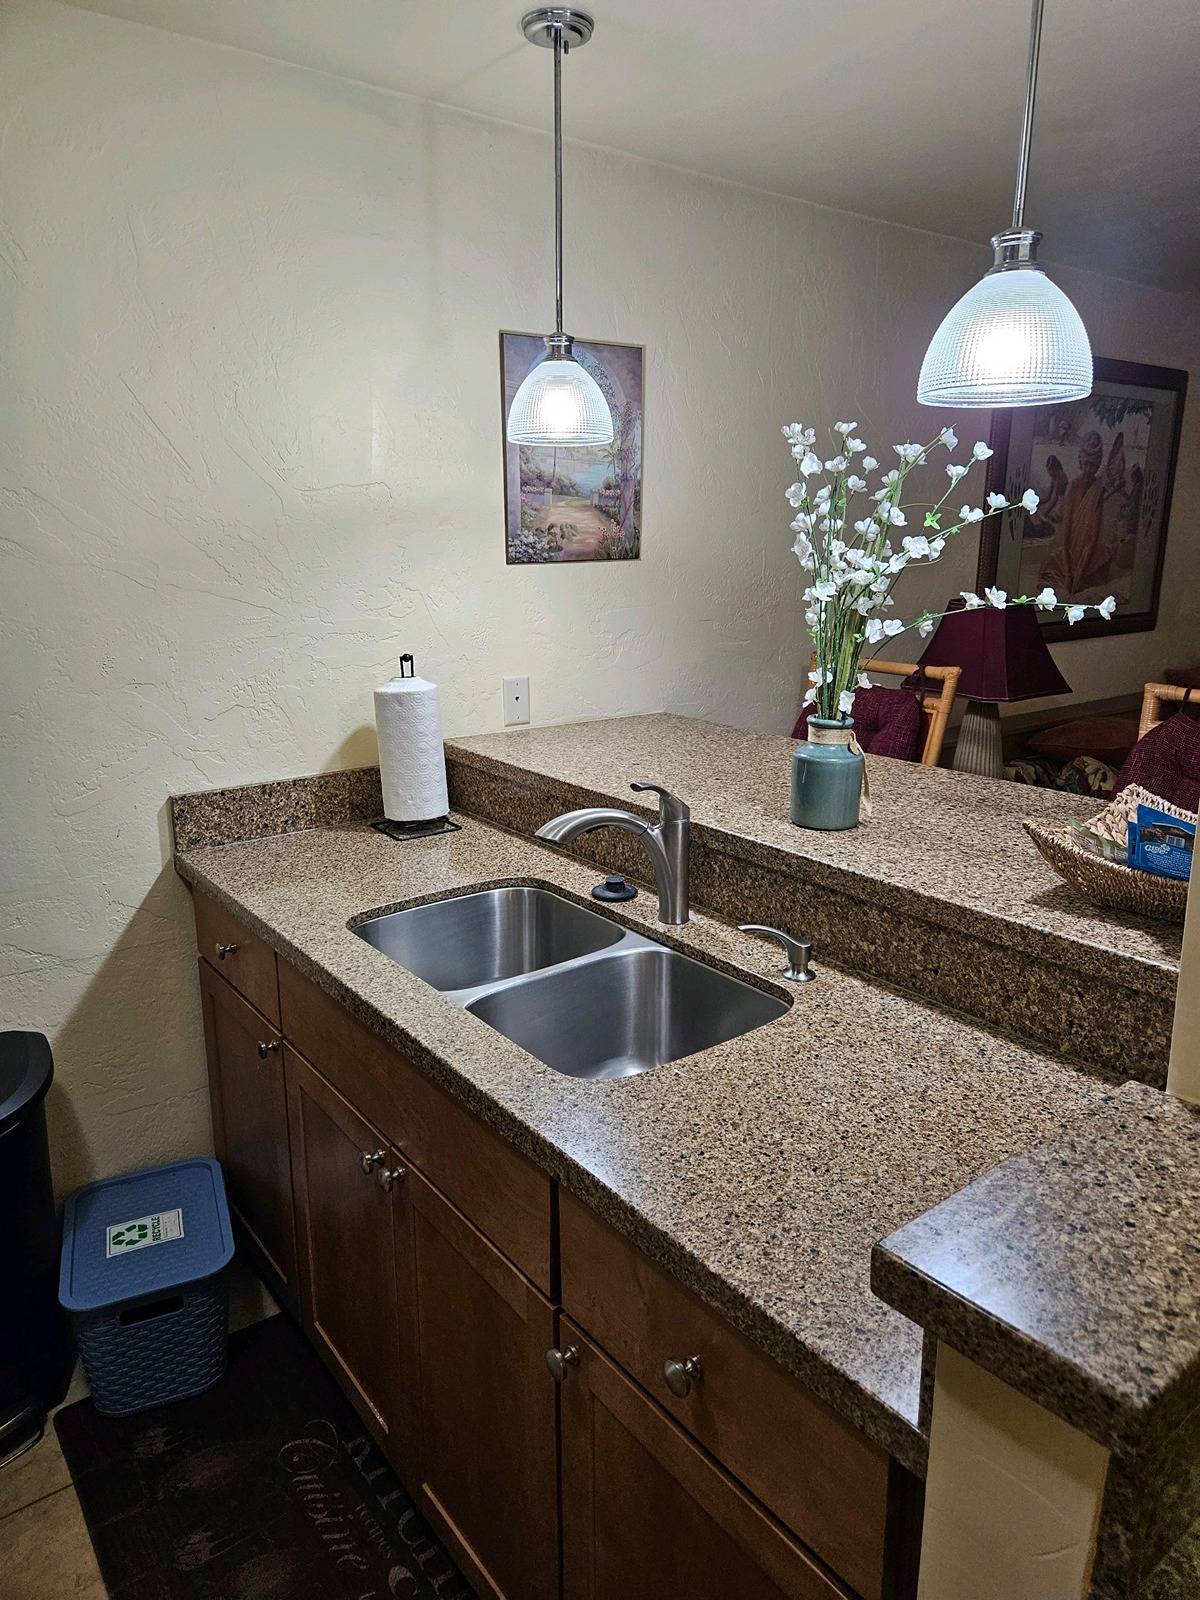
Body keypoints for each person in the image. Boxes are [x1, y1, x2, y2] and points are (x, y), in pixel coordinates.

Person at [1039, 430, 1109, 593]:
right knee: (1048, 567)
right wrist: (1070, 572)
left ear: (1098, 464)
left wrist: (1079, 574)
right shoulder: (1073, 486)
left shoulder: (1098, 490)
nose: (1088, 469)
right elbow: (1066, 534)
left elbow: (1092, 539)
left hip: (1088, 556)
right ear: (1080, 461)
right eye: (1085, 464)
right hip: (1070, 552)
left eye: (1092, 465)